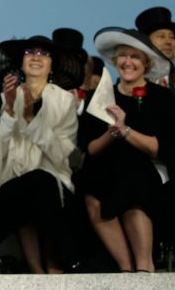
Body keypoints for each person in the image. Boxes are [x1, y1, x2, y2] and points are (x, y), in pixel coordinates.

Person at [0, 35, 84, 273]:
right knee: (26, 185)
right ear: (21, 62)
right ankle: (42, 269)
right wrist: (8, 111)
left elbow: (63, 152)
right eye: (30, 52)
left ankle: (52, 266)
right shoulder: (6, 96)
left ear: (52, 66)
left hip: (52, 183)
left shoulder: (65, 100)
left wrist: (30, 119)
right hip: (11, 184)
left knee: (41, 181)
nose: (36, 57)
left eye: (43, 54)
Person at [78, 27, 174, 273]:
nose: (128, 62)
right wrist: (113, 132)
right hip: (107, 168)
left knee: (133, 174)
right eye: (123, 55)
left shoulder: (163, 98)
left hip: (150, 172)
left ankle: (144, 267)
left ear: (146, 63)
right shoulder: (100, 98)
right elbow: (91, 148)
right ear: (114, 60)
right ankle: (126, 268)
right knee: (90, 183)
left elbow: (159, 148)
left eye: (135, 57)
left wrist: (126, 130)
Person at [134, 6, 175, 88]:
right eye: (161, 36)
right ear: (146, 42)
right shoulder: (132, 77)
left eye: (172, 37)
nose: (168, 42)